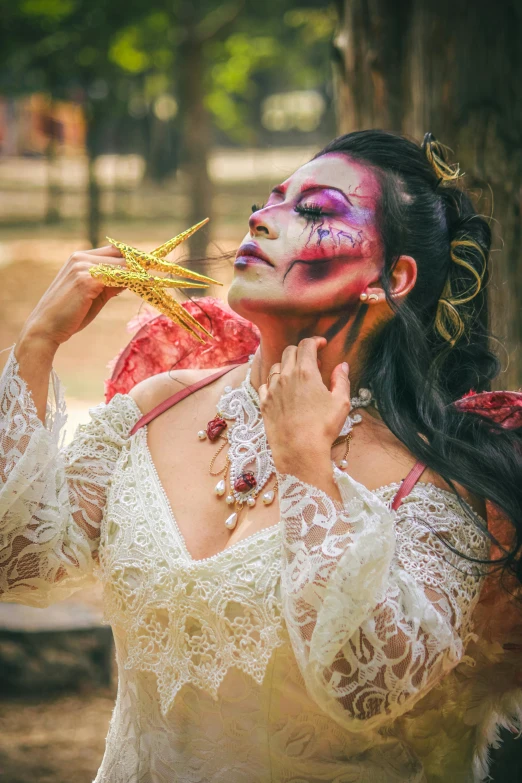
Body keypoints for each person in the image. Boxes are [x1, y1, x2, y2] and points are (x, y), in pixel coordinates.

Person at [1, 129, 521, 783]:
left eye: (313, 209)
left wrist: (306, 463)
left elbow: (366, 688)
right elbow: (17, 563)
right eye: (272, 201)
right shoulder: (154, 409)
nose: (261, 218)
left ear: (393, 278)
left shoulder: (436, 482)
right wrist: (38, 340)